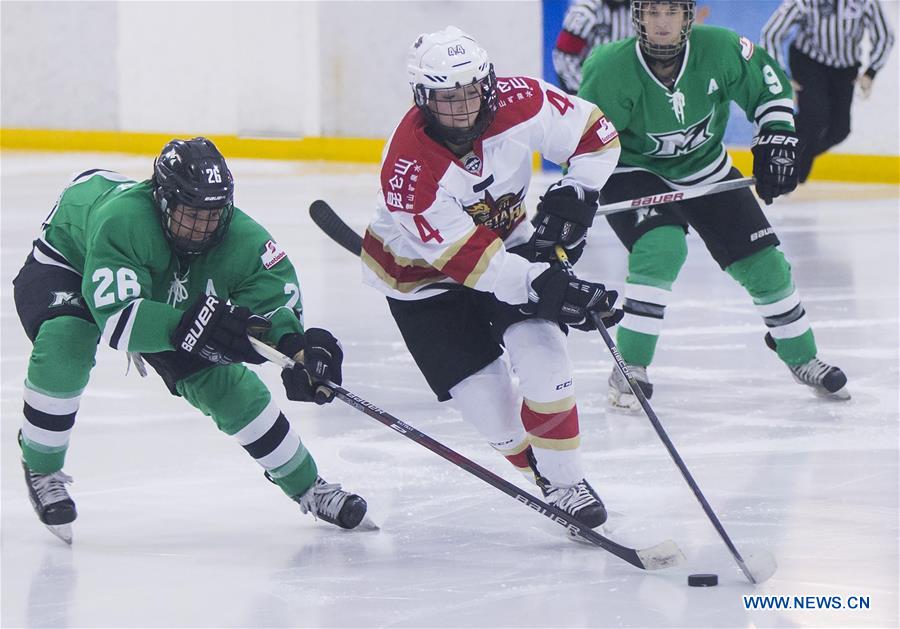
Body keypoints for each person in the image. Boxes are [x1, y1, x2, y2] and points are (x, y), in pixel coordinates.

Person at [13, 137, 367, 544]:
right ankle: (41, 463)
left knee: (226, 386)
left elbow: (274, 301)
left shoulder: (244, 238)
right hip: (69, 260)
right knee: (68, 341)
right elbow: (118, 319)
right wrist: (199, 327)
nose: (204, 226)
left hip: (158, 277)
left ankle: (309, 486)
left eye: (214, 213)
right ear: (163, 201)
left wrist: (298, 348)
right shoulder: (124, 220)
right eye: (191, 212)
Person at [360, 25, 623, 531]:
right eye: (446, 98)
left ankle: (567, 483)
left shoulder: (521, 101)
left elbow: (597, 134)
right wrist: (552, 288)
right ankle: (542, 475)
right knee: (498, 421)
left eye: (471, 92)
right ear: (421, 98)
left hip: (508, 245)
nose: (462, 109)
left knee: (546, 359)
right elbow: (473, 265)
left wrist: (579, 191)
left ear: (490, 82)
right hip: (421, 285)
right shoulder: (409, 171)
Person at [577, 0, 850, 410]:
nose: (662, 22)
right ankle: (629, 364)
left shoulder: (721, 48)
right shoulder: (610, 67)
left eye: (672, 11)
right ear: (638, 17)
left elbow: (767, 83)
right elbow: (587, 138)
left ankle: (800, 354)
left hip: (706, 166)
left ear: (689, 15)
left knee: (764, 262)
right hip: (634, 169)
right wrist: (577, 189)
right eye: (652, 12)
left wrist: (776, 133)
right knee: (661, 247)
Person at [761, 0, 894, 183]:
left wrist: (871, 72)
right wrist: (781, 74)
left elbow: (885, 36)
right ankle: (789, 169)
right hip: (809, 62)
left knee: (840, 130)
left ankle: (784, 157)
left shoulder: (866, 2)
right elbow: (771, 33)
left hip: (845, 69)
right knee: (815, 116)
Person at [553, 0, 711, 95]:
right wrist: (585, 92)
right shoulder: (586, 11)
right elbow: (563, 58)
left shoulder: (641, 8)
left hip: (626, 94)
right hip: (589, 92)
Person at [553, 0, 633, 94]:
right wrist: (589, 91)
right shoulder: (585, 11)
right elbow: (563, 58)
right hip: (587, 91)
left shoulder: (639, 9)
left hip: (624, 92)